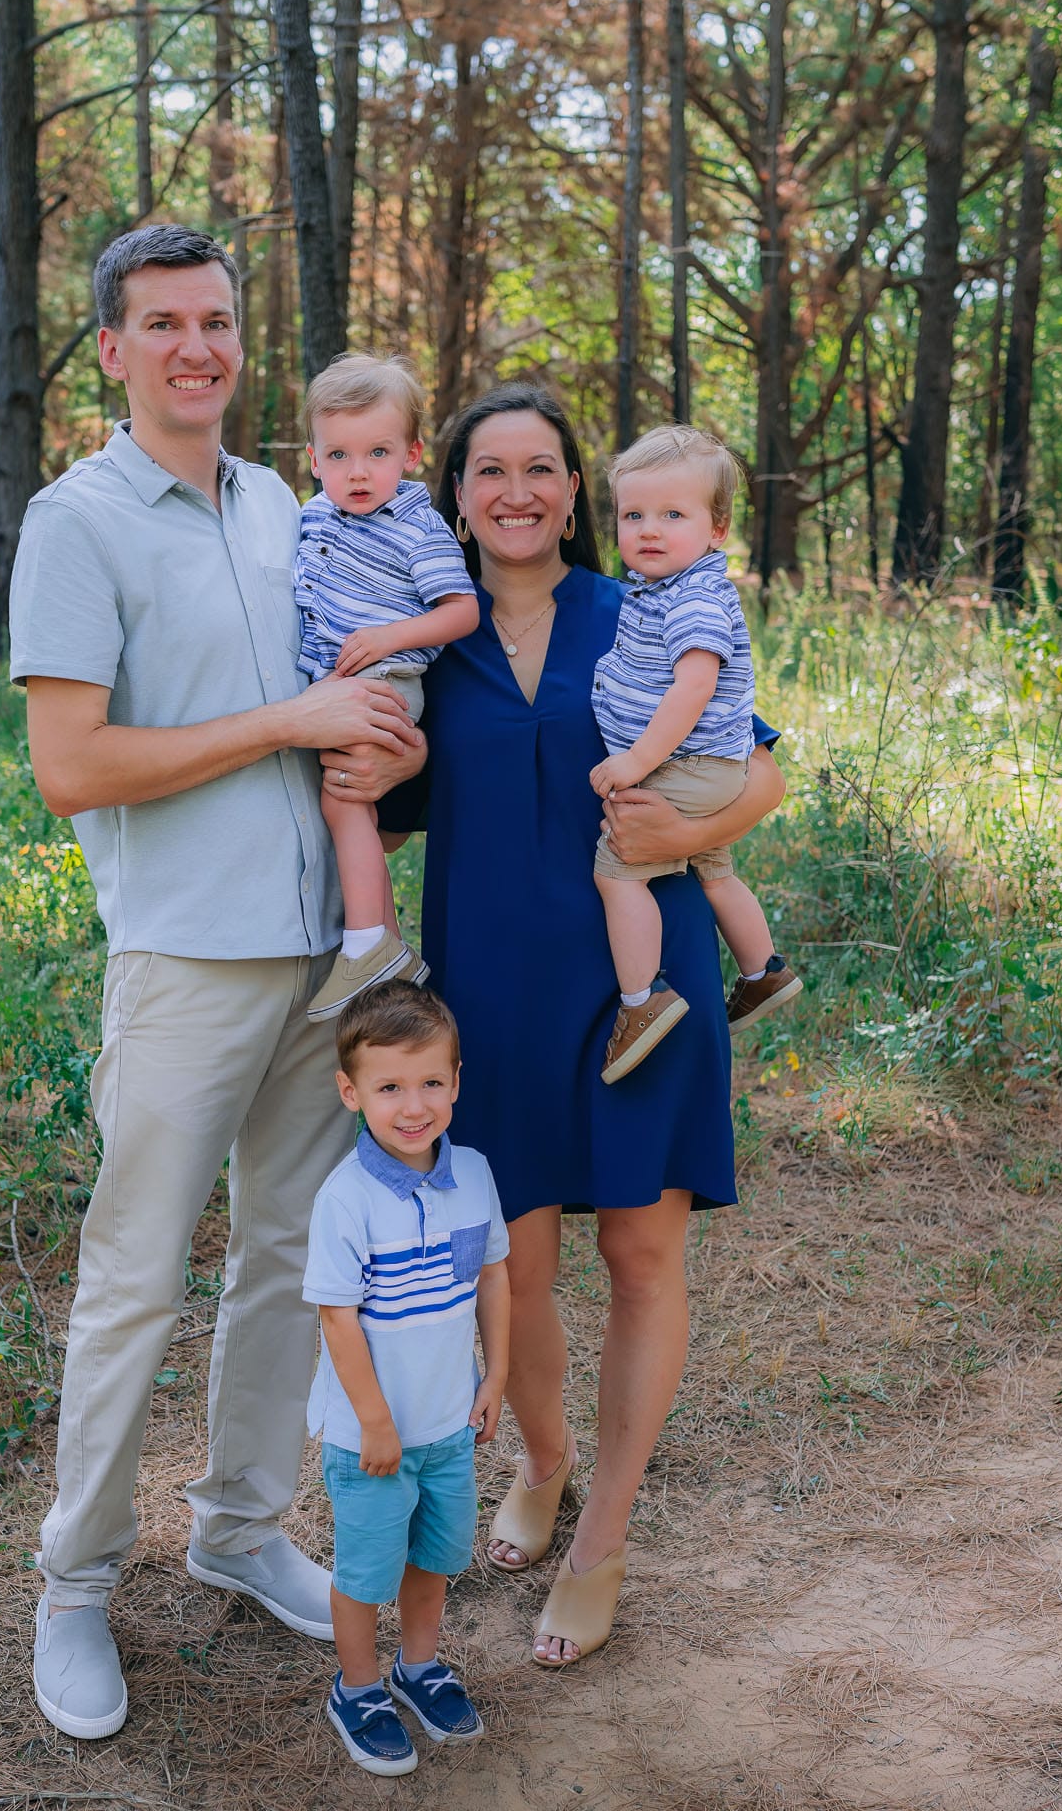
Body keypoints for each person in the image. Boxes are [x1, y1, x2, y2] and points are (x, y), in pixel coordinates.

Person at [8, 224, 422, 1740]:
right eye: (162, 323)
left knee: (285, 1268)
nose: (196, 346)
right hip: (184, 959)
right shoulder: (78, 521)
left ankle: (242, 1529)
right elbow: (71, 766)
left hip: (327, 959)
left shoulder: (287, 506)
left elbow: (344, 706)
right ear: (111, 350)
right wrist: (280, 720)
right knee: (133, 1284)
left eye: (219, 321)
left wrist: (380, 738)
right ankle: (74, 1587)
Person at [326, 383, 786, 1668]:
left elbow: (761, 768)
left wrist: (687, 832)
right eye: (487, 471)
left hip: (643, 980)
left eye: (540, 468)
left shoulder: (646, 602)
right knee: (513, 1269)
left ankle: (604, 1535)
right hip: (487, 996)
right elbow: (367, 779)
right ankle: (542, 1461)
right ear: (451, 492)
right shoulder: (419, 641)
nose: (515, 491)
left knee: (641, 1255)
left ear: (577, 490)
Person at [305, 980, 509, 1775]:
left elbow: (494, 1276)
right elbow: (336, 1318)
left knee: (434, 1560)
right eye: (389, 1087)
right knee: (365, 1572)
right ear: (351, 1092)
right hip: (371, 1439)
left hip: (448, 1425)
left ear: (456, 1082)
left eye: (430, 1082)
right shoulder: (345, 1199)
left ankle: (417, 1669)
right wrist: (376, 1422)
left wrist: (494, 1378)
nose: (413, 1105)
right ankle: (356, 1688)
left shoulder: (476, 1176)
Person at [591, 426, 801, 1082]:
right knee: (714, 868)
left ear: (716, 528)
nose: (648, 530)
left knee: (616, 871)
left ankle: (641, 999)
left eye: (671, 515)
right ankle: (761, 971)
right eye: (633, 515)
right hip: (709, 768)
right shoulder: (663, 589)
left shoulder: (692, 596)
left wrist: (633, 760)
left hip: (685, 766)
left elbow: (693, 688)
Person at [294, 354, 478, 1022]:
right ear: (313, 458)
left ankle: (370, 941)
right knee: (345, 805)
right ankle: (379, 939)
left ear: (411, 453)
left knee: (343, 801)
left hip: (386, 677)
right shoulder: (314, 516)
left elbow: (462, 611)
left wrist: (389, 637)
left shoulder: (413, 525)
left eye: (377, 452)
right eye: (338, 454)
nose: (358, 471)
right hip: (338, 679)